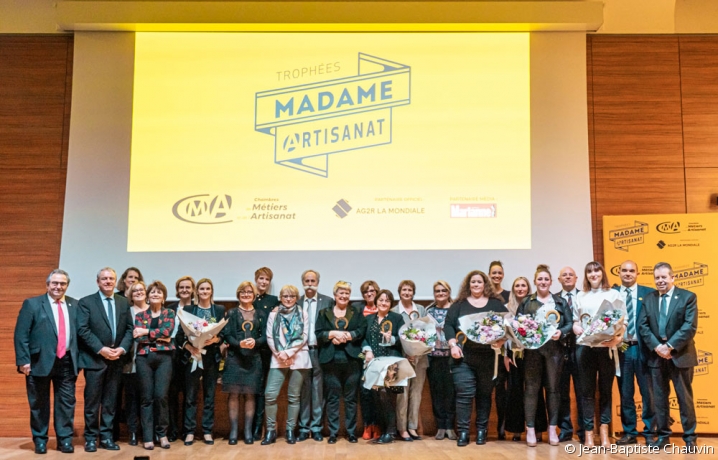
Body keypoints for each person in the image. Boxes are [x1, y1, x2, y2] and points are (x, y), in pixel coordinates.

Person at [14, 269, 79, 454]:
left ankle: (65, 441)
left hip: (67, 361)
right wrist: (23, 361)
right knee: (39, 404)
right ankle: (40, 440)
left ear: (67, 286)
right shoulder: (32, 304)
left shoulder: (75, 305)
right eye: (55, 283)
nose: (58, 287)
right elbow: (21, 334)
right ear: (48, 284)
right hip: (37, 362)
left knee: (66, 403)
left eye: (62, 284)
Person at [444, 270, 508, 446]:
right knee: (464, 395)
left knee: (484, 395)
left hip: (488, 358)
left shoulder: (496, 304)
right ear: (468, 285)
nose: (476, 285)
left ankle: (482, 431)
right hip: (463, 358)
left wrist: (502, 340)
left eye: (479, 282)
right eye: (473, 282)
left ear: (485, 284)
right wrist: (452, 345)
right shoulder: (459, 305)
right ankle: (463, 432)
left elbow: (507, 325)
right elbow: (448, 325)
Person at [638, 262, 698, 450]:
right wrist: (658, 347)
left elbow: (689, 326)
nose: (660, 281)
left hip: (680, 356)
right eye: (657, 277)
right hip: (656, 358)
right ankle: (664, 437)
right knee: (660, 400)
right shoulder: (648, 299)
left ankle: (690, 439)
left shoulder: (688, 297)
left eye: (664, 277)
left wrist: (670, 347)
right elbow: (643, 326)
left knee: (684, 399)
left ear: (673, 278)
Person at [77, 267, 134, 452]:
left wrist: (122, 349)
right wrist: (101, 349)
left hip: (116, 359)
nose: (108, 281)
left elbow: (128, 329)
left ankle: (107, 438)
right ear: (98, 282)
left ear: (115, 281)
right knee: (92, 402)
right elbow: (83, 330)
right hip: (95, 360)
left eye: (111, 278)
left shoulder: (123, 302)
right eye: (104, 279)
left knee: (110, 402)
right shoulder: (86, 302)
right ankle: (91, 438)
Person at [518, 265, 573, 447]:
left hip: (554, 351)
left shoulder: (559, 302)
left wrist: (561, 333)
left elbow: (569, 324)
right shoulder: (526, 302)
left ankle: (552, 429)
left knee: (554, 389)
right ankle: (531, 429)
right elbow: (518, 325)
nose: (543, 282)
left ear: (551, 282)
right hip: (533, 352)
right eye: (539, 279)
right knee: (531, 389)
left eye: (546, 279)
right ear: (535, 281)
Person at [573, 261, 624, 447]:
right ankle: (588, 433)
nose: (593, 274)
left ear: (602, 273)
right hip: (585, 349)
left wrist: (617, 339)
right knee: (586, 393)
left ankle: (603, 431)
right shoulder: (581, 295)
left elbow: (622, 322)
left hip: (606, 350)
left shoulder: (614, 294)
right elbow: (575, 321)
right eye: (589, 272)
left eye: (596, 271)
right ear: (586, 276)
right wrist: (577, 327)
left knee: (605, 391)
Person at [315, 281, 367, 444]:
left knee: (351, 398)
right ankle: (333, 433)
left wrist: (348, 336)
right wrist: (333, 335)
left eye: (347, 293)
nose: (344, 296)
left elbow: (361, 330)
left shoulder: (356, 312)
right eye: (341, 293)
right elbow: (319, 333)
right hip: (330, 361)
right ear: (335, 295)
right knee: (332, 398)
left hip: (352, 361)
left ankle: (351, 432)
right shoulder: (324, 312)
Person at [177, 278, 225, 446]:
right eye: (201, 289)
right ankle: (189, 431)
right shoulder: (189, 309)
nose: (204, 291)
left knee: (209, 395)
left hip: (211, 358)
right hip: (193, 357)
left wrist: (215, 339)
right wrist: (190, 348)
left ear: (211, 291)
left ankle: (207, 431)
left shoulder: (219, 309)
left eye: (207, 289)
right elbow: (180, 336)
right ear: (197, 291)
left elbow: (223, 334)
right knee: (190, 395)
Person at [614, 260, 656, 445]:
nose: (628, 273)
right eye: (624, 270)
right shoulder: (612, 294)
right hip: (622, 346)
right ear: (619, 273)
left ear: (637, 273)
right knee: (625, 392)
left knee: (648, 392)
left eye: (632, 271)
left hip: (642, 347)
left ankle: (650, 432)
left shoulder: (649, 293)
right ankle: (630, 432)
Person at [262, 285, 311, 445]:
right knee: (270, 395)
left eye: (291, 296)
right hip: (278, 357)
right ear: (281, 298)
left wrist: (288, 353)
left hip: (298, 357)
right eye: (285, 296)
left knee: (294, 396)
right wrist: (280, 353)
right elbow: (269, 336)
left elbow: (304, 336)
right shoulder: (274, 314)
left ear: (296, 298)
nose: (288, 299)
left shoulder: (303, 313)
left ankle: (290, 431)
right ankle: (270, 431)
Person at [503, 276, 549, 442]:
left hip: (532, 355)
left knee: (534, 391)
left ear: (528, 288)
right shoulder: (506, 309)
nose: (520, 288)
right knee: (515, 392)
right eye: (517, 286)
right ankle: (516, 430)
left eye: (523, 286)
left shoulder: (534, 306)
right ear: (513, 289)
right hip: (513, 356)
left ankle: (537, 429)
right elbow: (503, 336)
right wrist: (506, 356)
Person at [223, 281, 267, 445]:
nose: (246, 294)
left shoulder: (261, 314)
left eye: (249, 292)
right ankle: (233, 431)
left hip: (253, 359)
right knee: (233, 394)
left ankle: (248, 431)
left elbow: (265, 337)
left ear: (254, 294)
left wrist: (255, 342)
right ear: (238, 294)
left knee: (250, 395)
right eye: (242, 292)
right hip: (235, 358)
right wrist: (238, 344)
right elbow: (227, 335)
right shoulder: (231, 313)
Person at [133, 280, 175, 450]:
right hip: (144, 358)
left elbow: (168, 331)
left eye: (159, 292)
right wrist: (155, 335)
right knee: (146, 398)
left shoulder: (169, 313)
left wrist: (146, 332)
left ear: (164, 297)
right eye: (152, 292)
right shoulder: (140, 316)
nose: (155, 294)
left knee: (161, 396)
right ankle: (148, 437)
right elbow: (138, 336)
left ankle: (162, 434)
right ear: (148, 297)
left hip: (164, 358)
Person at [362, 289, 404, 444]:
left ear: (391, 303)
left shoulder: (397, 318)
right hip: (374, 363)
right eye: (381, 300)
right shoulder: (369, 319)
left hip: (391, 363)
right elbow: (363, 338)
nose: (383, 303)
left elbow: (404, 338)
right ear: (376, 301)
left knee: (386, 395)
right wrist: (367, 350)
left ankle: (391, 431)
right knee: (376, 396)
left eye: (387, 300)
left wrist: (392, 339)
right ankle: (382, 430)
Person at [297, 270, 333, 442]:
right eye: (307, 280)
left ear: (318, 282)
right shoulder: (295, 302)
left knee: (318, 391)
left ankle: (316, 427)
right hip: (301, 352)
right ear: (302, 282)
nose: (310, 283)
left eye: (313, 280)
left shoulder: (327, 301)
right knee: (304, 390)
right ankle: (304, 428)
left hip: (320, 351)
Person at [391, 280, 428, 442]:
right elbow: (393, 337)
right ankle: (402, 428)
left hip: (421, 359)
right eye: (404, 290)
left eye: (410, 290)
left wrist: (417, 352)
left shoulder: (420, 309)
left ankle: (412, 427)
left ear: (413, 292)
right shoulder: (393, 311)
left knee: (416, 393)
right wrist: (407, 353)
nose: (407, 293)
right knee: (402, 395)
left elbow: (427, 332)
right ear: (399, 292)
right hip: (401, 359)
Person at [556, 266, 585, 443]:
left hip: (582, 350)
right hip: (560, 351)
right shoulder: (554, 300)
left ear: (576, 278)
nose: (567, 277)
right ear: (559, 280)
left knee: (583, 391)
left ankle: (584, 430)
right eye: (564, 275)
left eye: (570, 275)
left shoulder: (584, 296)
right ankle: (565, 430)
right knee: (561, 392)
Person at [425, 280, 457, 441]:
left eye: (444, 290)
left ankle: (450, 426)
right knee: (436, 393)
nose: (441, 293)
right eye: (437, 291)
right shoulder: (428, 311)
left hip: (452, 358)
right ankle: (440, 426)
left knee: (451, 394)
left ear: (449, 292)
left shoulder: (455, 309)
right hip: (434, 358)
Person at [166, 276, 195, 442]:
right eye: (181, 287)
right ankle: (173, 430)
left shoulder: (196, 309)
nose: (185, 290)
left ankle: (188, 430)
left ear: (192, 290)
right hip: (170, 356)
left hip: (190, 355)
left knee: (190, 395)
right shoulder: (170, 309)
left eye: (188, 287)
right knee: (172, 395)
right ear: (178, 290)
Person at [251, 267, 279, 440]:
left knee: (263, 391)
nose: (263, 282)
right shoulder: (248, 298)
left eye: (267, 279)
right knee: (251, 390)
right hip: (249, 351)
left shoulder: (274, 301)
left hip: (267, 351)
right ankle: (249, 427)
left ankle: (258, 429)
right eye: (260, 278)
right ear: (256, 279)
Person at [122, 281, 149, 447]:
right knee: (131, 397)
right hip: (130, 360)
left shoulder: (155, 310)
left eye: (141, 290)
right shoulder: (126, 312)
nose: (139, 292)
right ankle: (132, 431)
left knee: (148, 397)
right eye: (135, 291)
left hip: (151, 360)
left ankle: (147, 432)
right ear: (130, 295)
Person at [353, 280, 380, 440]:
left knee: (378, 392)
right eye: (365, 292)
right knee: (365, 392)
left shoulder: (384, 307)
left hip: (381, 357)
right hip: (362, 356)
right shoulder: (357, 309)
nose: (369, 294)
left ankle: (377, 425)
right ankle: (367, 425)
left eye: (372, 291)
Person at [488, 261, 509, 439]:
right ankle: (484, 427)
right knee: (485, 391)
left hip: (503, 352)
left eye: (499, 273)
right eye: (493, 273)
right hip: (486, 352)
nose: (496, 275)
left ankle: (501, 426)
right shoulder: (482, 296)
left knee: (502, 391)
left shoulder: (509, 295)